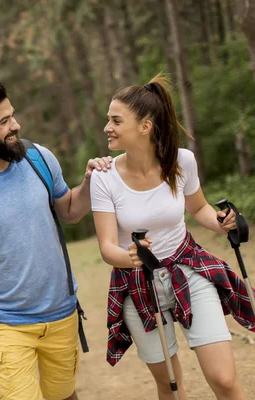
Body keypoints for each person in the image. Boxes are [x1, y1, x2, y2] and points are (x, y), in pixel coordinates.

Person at [0, 78, 111, 400]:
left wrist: (88, 183)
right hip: (5, 325)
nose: (15, 125)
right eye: (4, 122)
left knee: (64, 396)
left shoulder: (39, 158)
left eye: (12, 115)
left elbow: (70, 212)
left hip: (62, 313)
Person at [91, 74, 254, 400]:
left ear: (145, 126)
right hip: (138, 283)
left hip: (189, 270)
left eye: (115, 120)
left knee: (223, 379)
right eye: (108, 119)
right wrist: (132, 257)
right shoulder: (104, 177)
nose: (107, 127)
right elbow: (108, 248)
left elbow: (200, 209)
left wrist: (221, 222)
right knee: (170, 386)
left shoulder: (182, 162)